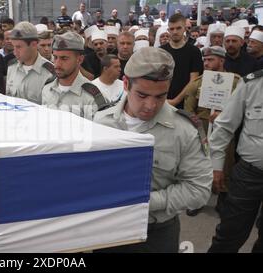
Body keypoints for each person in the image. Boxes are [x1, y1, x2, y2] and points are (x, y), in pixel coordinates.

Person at [94, 47, 212, 252]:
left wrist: (145, 200)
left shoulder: (184, 130)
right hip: (109, 228)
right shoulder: (101, 121)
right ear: (126, 84)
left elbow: (198, 189)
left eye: (160, 96)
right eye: (142, 95)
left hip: (157, 232)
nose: (150, 105)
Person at [208, 68, 263, 253]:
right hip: (250, 175)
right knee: (230, 234)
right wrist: (216, 167)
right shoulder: (252, 84)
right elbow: (224, 127)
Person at [182, 46, 241, 216]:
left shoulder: (236, 82)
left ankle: (223, 195)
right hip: (202, 127)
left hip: (225, 128)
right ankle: (199, 199)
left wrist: (224, 115)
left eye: (210, 60)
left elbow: (242, 107)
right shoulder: (197, 83)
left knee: (226, 162)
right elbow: (188, 109)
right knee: (199, 164)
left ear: (222, 61)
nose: (206, 63)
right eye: (204, 60)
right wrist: (197, 126)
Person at [41, 31, 109, 121]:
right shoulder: (47, 89)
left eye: (64, 58)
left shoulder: (91, 97)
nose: (57, 64)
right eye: (55, 57)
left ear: (80, 59)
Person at [6, 22, 55, 104]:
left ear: (34, 45)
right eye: (13, 46)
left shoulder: (50, 73)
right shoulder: (12, 67)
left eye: (18, 47)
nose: (15, 52)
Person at [161, 14, 203, 109]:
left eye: (178, 28)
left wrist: (175, 101)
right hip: (163, 102)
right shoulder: (161, 51)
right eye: (172, 29)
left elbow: (193, 81)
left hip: (186, 104)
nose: (175, 32)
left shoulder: (194, 52)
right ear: (168, 30)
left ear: (184, 29)